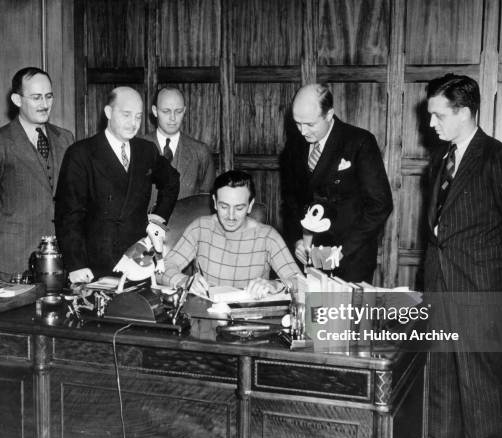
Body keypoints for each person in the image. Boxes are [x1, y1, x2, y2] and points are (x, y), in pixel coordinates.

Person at [423, 74, 502, 438]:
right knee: (443, 373)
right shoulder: (441, 160)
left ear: (465, 112)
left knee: (481, 383)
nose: (431, 124)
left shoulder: (499, 157)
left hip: (480, 288)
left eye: (438, 116)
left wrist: (493, 279)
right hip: (440, 284)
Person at [55, 86, 179, 283]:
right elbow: (69, 215)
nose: (133, 123)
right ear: (108, 113)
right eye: (126, 115)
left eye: (138, 117)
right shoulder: (81, 153)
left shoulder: (146, 150)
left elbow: (172, 181)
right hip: (95, 262)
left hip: (138, 258)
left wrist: (158, 218)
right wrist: (76, 264)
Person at [280, 83, 393, 283]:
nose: (302, 131)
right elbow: (291, 200)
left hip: (350, 260)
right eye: (297, 123)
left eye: (310, 124)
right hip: (308, 257)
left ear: (329, 114)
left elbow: (380, 205)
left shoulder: (359, 141)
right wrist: (296, 239)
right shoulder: (294, 145)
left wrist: (340, 251)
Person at [0, 67, 74, 280]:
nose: (44, 104)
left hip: (61, 256)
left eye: (48, 96)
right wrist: (8, 233)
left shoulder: (65, 138)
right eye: (36, 97)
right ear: (17, 100)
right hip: (15, 258)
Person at [159, 170, 301, 299]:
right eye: (224, 207)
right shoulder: (200, 227)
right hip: (206, 317)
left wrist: (274, 285)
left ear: (250, 205)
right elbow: (163, 269)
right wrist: (186, 281)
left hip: (251, 319)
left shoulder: (268, 236)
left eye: (239, 208)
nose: (230, 216)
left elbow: (300, 282)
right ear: (214, 203)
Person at [144, 87, 215, 199]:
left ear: (185, 111)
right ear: (155, 111)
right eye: (166, 111)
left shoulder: (200, 151)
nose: (173, 118)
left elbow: (205, 201)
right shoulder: (137, 147)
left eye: (178, 111)